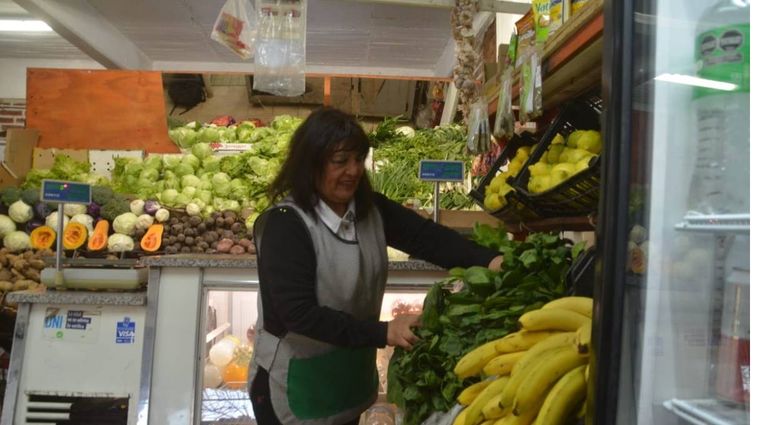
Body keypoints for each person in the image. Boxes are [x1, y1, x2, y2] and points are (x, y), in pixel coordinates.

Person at [248, 107, 503, 425]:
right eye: (340, 161)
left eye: (358, 160)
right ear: (310, 165)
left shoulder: (369, 209)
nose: (353, 171)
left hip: (346, 383)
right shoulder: (286, 225)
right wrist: (385, 331)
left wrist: (490, 260)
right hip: (295, 386)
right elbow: (298, 314)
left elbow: (426, 238)